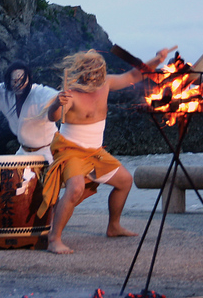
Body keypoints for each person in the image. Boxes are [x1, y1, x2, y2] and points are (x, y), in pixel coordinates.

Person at [40, 48, 170, 254]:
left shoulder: (106, 84)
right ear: (82, 73)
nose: (94, 76)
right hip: (71, 151)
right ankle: (54, 239)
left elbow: (134, 75)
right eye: (90, 72)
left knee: (125, 181)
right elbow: (52, 117)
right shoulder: (71, 93)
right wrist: (58, 102)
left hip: (96, 152)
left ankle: (114, 226)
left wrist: (157, 59)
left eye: (98, 72)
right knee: (75, 189)